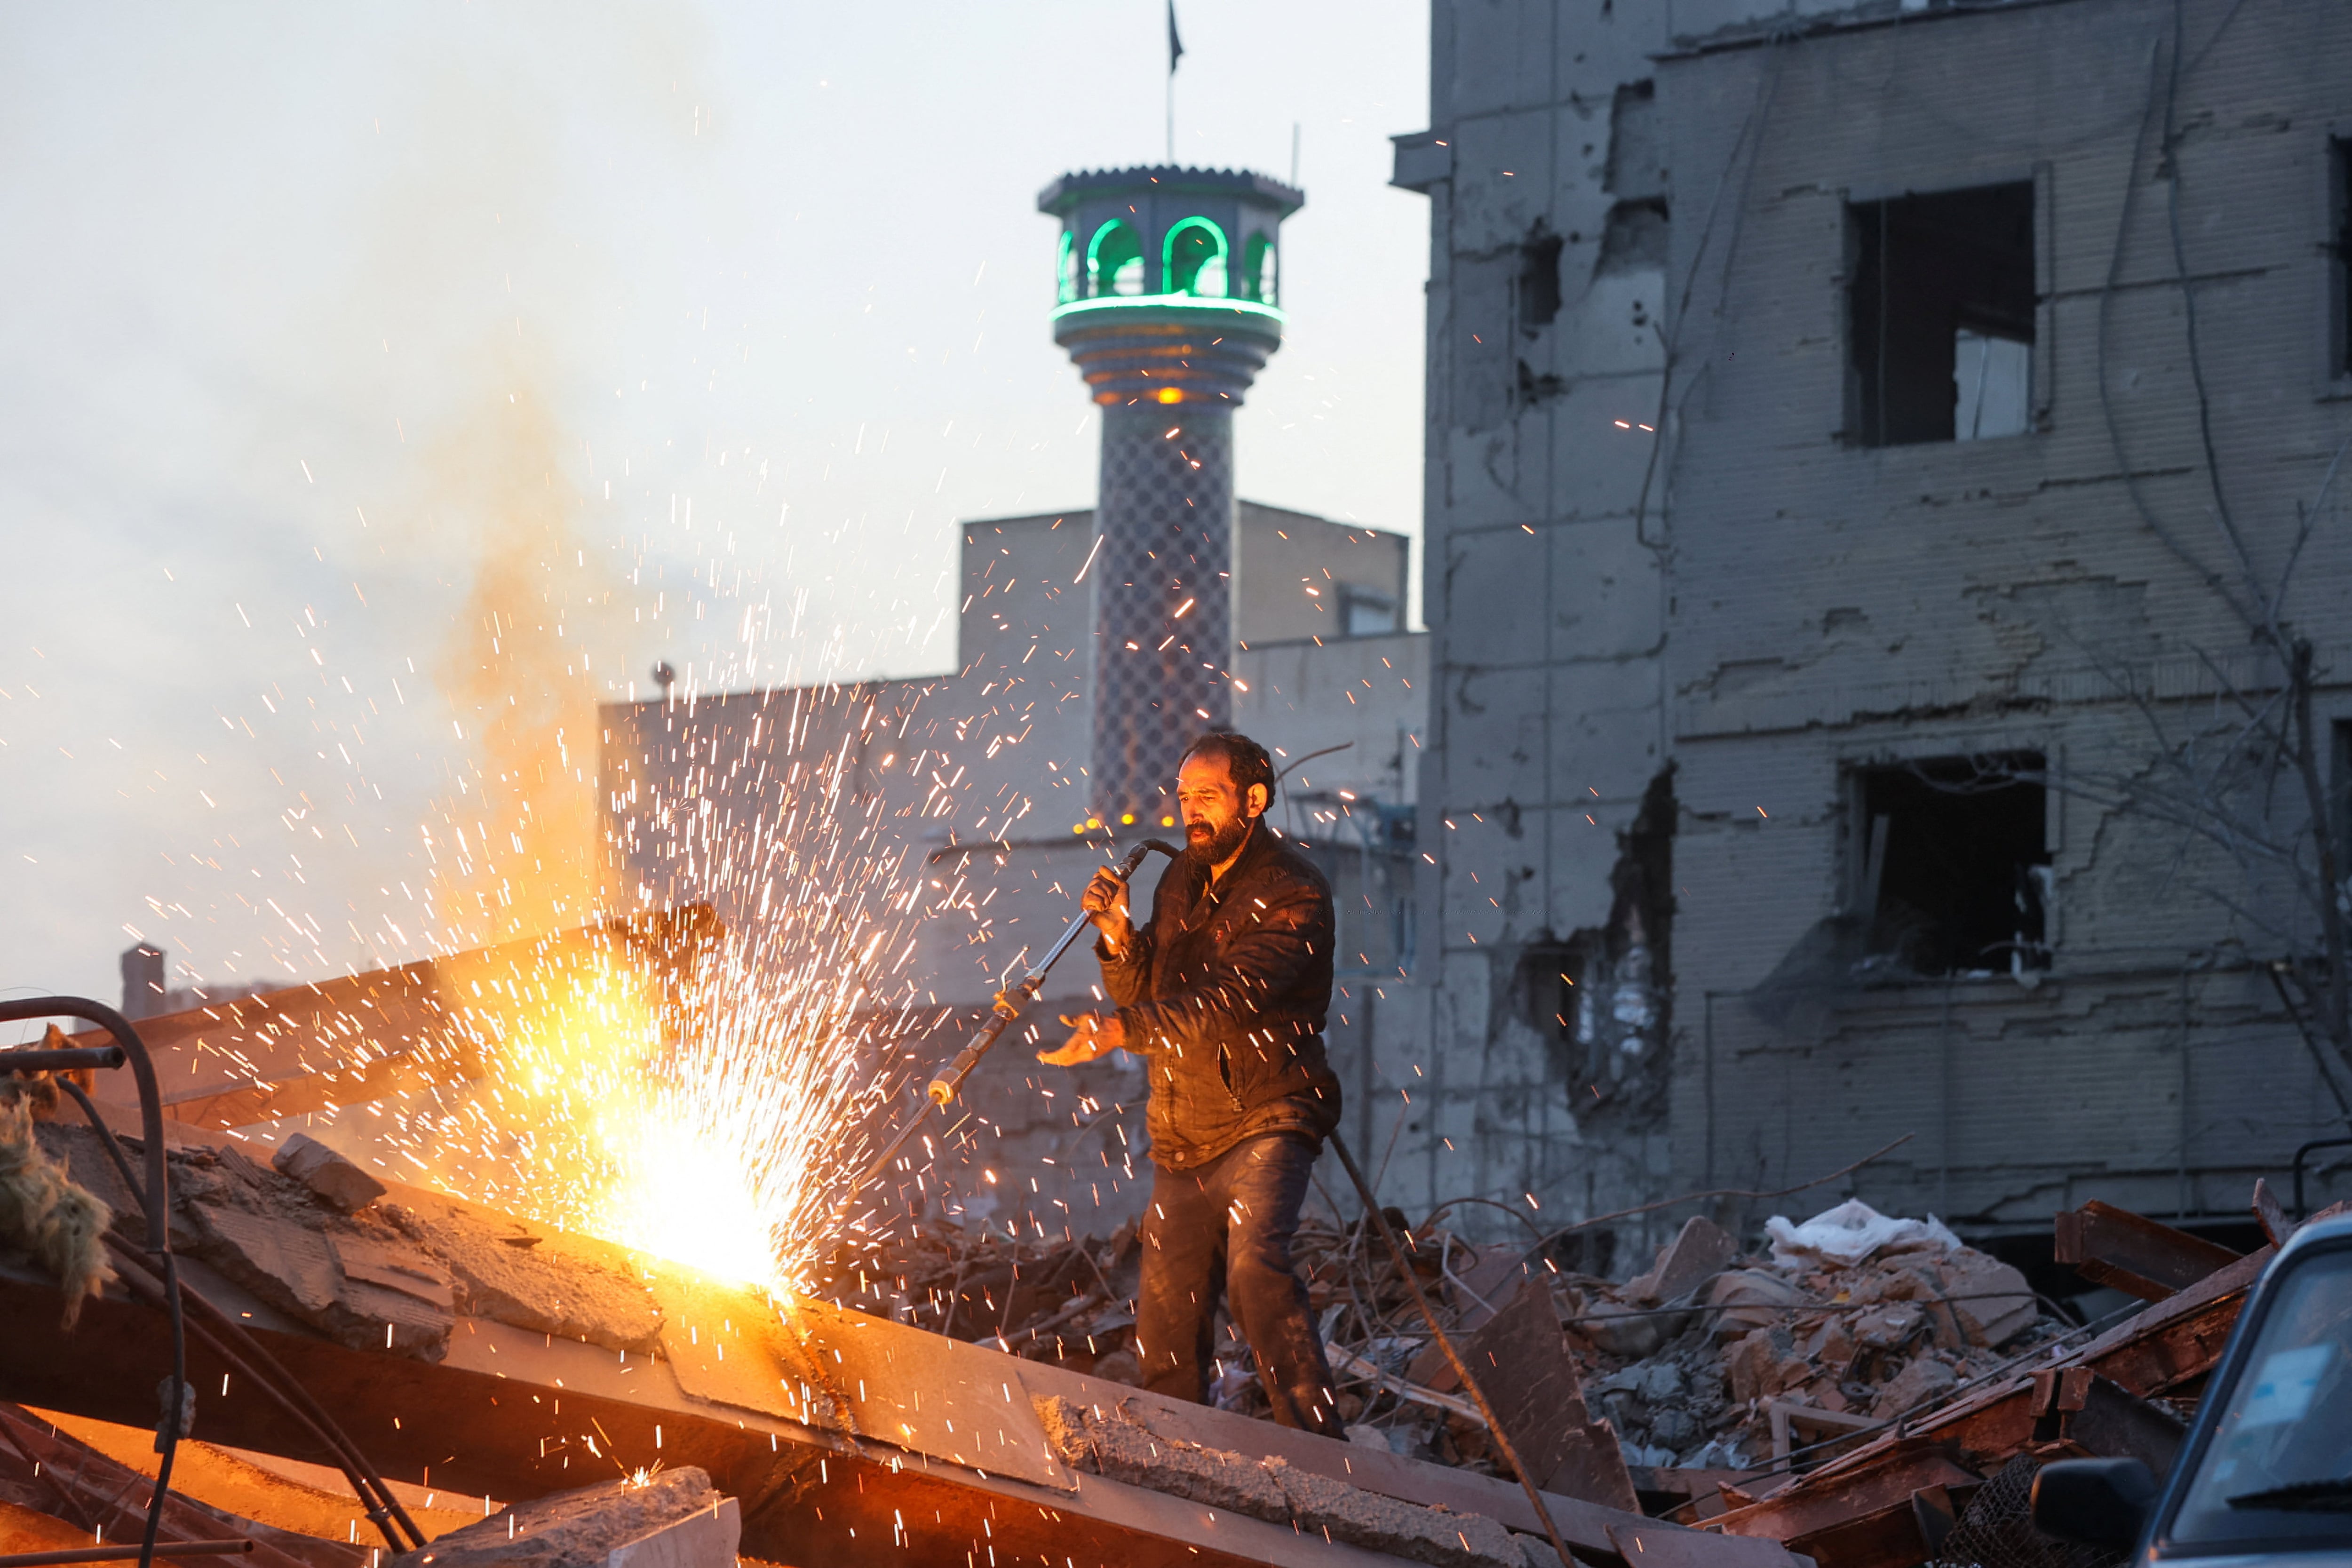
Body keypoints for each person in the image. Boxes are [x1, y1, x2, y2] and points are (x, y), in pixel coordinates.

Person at [1036, 732, 1344, 1434]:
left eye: (1208, 796)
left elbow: (1225, 1003)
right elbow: (1154, 989)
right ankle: (1177, 1458)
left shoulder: (1294, 892)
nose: (1191, 812)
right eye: (1183, 799)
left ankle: (1326, 1451)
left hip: (1267, 1113)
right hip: (1184, 1132)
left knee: (1255, 1272)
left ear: (1254, 800)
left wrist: (1120, 1030)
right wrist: (1118, 936)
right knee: (1167, 1315)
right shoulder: (1181, 879)